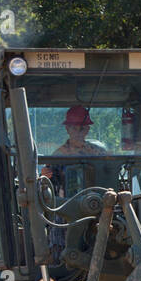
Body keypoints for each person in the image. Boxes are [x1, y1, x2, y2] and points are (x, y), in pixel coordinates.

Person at [42, 106, 107, 262]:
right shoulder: (57, 156)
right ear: (68, 129)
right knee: (62, 242)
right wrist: (45, 175)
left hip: (98, 206)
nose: (80, 131)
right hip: (67, 210)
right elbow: (48, 185)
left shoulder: (98, 153)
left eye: (83, 128)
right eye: (76, 128)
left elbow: (109, 172)